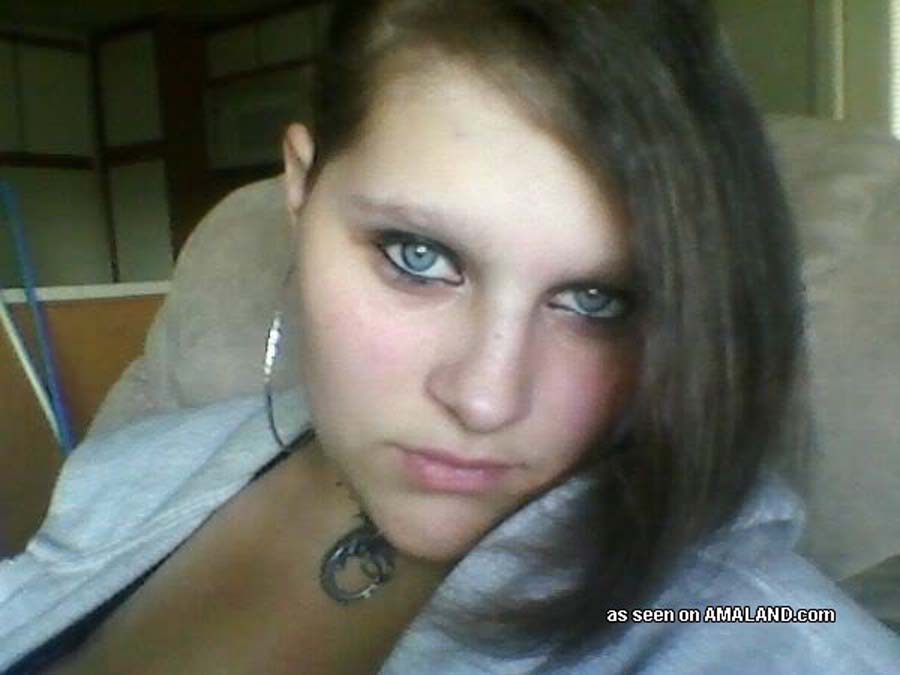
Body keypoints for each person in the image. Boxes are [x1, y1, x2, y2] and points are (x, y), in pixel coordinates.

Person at [2, 0, 900, 672]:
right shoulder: (131, 471)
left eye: (597, 299)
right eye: (419, 255)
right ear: (302, 188)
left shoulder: (750, 632)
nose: (484, 399)